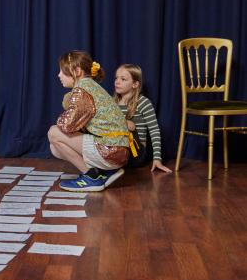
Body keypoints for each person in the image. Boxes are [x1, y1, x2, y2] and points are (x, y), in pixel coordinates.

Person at [48, 51, 129, 191]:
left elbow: (67, 125)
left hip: (110, 150)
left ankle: (92, 177)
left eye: (62, 71)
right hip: (118, 150)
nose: (59, 75)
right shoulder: (91, 85)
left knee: (54, 132)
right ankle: (104, 172)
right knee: (55, 148)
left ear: (77, 71)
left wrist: (63, 114)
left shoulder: (82, 89)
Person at [114, 64, 172, 173]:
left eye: (123, 79)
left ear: (135, 84)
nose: (117, 82)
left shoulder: (143, 103)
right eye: (116, 78)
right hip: (116, 146)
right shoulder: (113, 103)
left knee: (129, 126)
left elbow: (154, 130)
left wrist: (157, 158)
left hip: (136, 153)